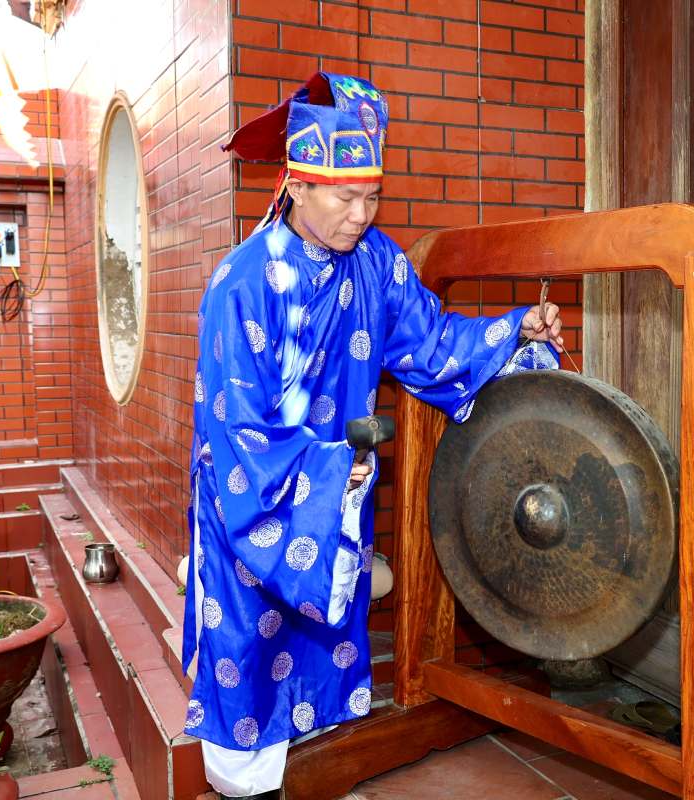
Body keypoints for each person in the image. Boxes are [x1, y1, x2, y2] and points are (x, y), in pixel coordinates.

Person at [182, 72, 564, 800]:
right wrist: (327, 474)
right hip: (259, 501)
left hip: (334, 494)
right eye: (345, 197)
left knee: (320, 674)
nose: (363, 214)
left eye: (373, 195)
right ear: (295, 186)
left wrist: (515, 329)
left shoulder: (378, 262)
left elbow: (430, 343)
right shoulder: (241, 283)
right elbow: (236, 433)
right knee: (251, 664)